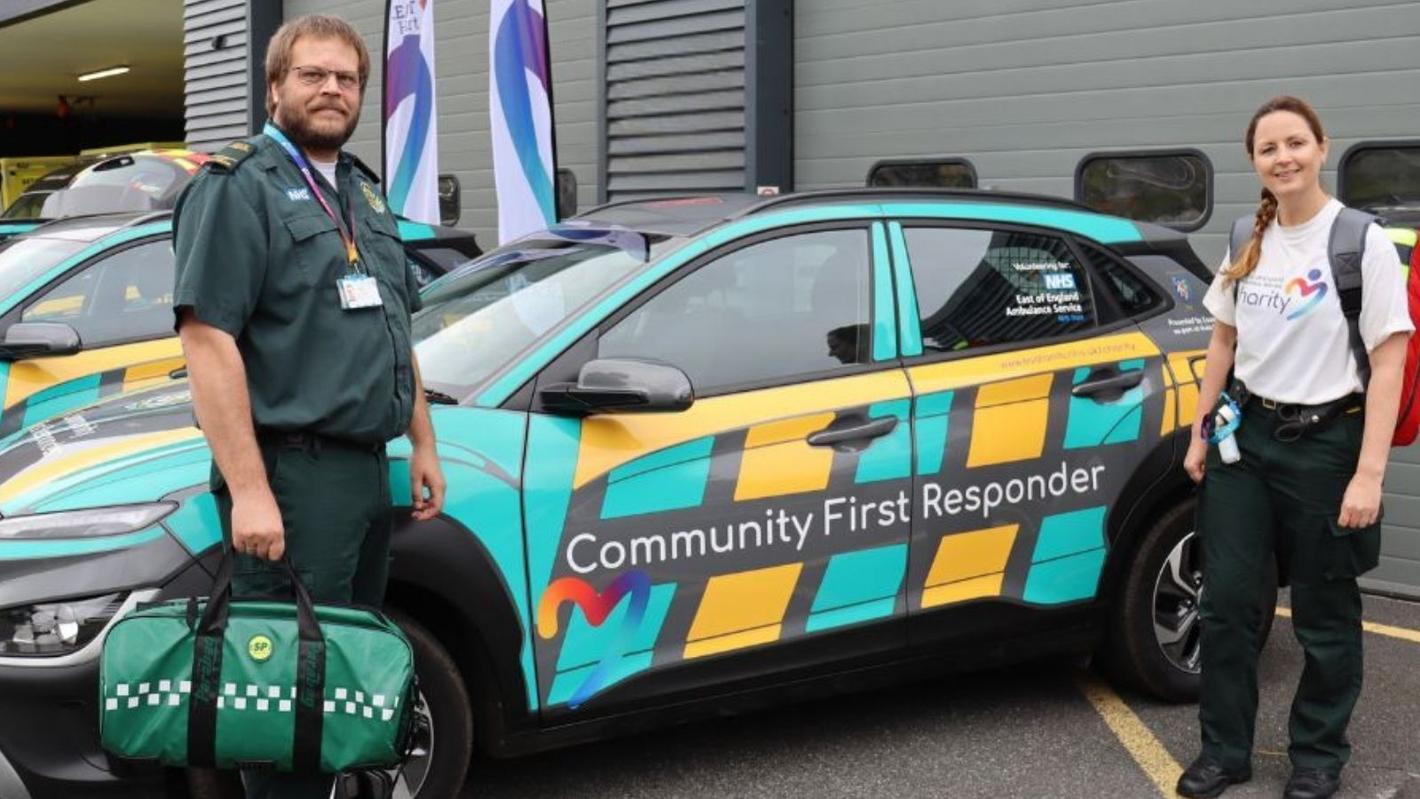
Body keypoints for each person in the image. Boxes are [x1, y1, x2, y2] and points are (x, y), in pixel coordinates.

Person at [172, 14, 446, 799]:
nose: (332, 90)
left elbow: (394, 326)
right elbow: (208, 341)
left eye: (347, 78)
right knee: (287, 692)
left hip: (365, 473)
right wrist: (251, 488)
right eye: (313, 75)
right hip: (292, 479)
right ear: (274, 87)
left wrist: (420, 441)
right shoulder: (236, 187)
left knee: (343, 682)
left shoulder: (361, 189)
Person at [1177, 96, 1411, 799]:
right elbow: (1224, 338)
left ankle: (1317, 752)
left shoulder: (1359, 239)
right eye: (1269, 147)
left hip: (1328, 444)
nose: (1284, 157)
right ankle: (1225, 750)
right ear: (1255, 160)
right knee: (1226, 603)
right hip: (1244, 442)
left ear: (1321, 146)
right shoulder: (1248, 232)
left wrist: (1369, 474)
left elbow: (1392, 361)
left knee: (1324, 612)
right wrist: (1198, 428)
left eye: (1295, 142)